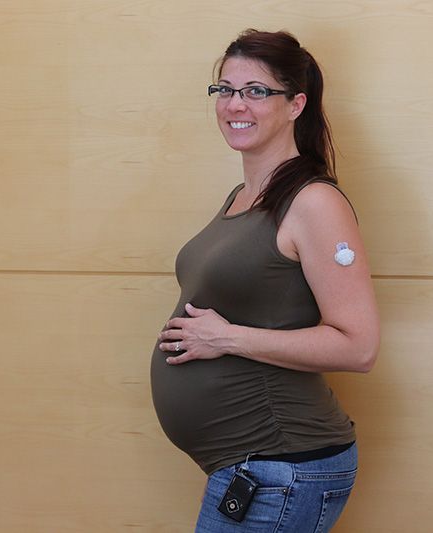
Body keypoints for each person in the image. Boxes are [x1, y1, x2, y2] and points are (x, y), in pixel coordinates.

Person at [150, 29, 380, 532]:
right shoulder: (243, 194)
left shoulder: (313, 202)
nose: (236, 104)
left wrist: (226, 337)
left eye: (256, 91)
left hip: (284, 464)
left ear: (296, 104)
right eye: (225, 89)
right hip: (257, 465)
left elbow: (358, 347)